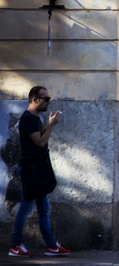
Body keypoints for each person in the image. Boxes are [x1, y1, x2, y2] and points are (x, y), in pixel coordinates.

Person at [9, 86, 70, 257]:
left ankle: (50, 245)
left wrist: (47, 125)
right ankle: (15, 245)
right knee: (26, 207)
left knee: (44, 208)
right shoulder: (28, 119)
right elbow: (41, 142)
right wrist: (51, 126)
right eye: (45, 99)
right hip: (30, 171)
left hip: (38, 170)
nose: (48, 102)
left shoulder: (35, 118)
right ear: (35, 99)